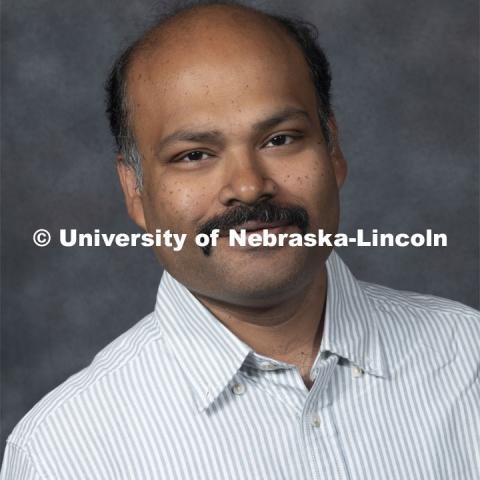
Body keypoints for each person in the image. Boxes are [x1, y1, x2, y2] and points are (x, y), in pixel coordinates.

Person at [2, 2, 479, 479]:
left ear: (332, 149)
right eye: (194, 155)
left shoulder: (469, 359)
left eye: (280, 139)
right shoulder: (62, 453)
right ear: (135, 190)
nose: (249, 187)